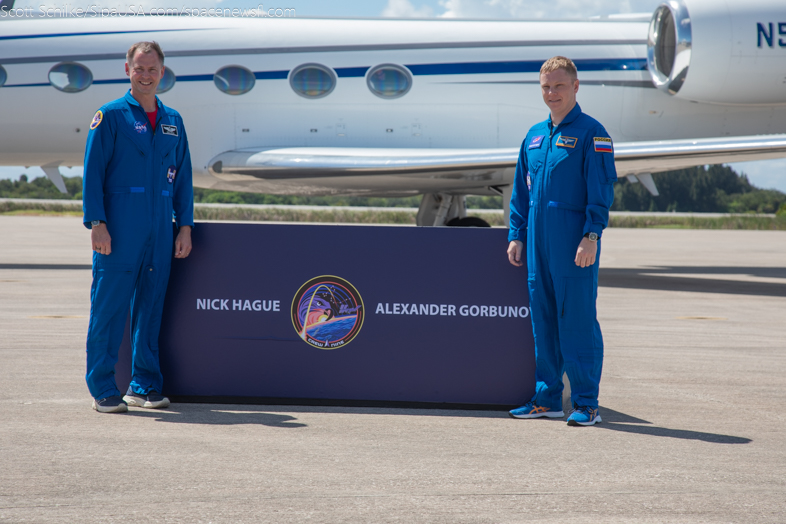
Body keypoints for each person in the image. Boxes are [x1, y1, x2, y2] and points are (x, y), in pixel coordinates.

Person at [82, 41, 194, 413]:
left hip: (162, 228)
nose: (145, 75)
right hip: (119, 227)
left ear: (163, 73)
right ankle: (102, 388)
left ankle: (143, 385)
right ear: (127, 70)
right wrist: (97, 224)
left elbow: (183, 180)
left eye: (152, 69)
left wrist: (185, 226)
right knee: (109, 309)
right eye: (139, 68)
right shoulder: (110, 116)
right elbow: (93, 175)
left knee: (151, 309)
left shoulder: (173, 121)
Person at [506, 56, 616, 426]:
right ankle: (547, 398)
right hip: (537, 245)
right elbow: (522, 193)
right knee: (544, 321)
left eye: (559, 86)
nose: (552, 93)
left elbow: (600, 191)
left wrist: (591, 235)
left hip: (573, 243)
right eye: (546, 87)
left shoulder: (592, 133)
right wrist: (516, 235)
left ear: (575, 87)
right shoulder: (534, 136)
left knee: (578, 322)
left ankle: (586, 404)